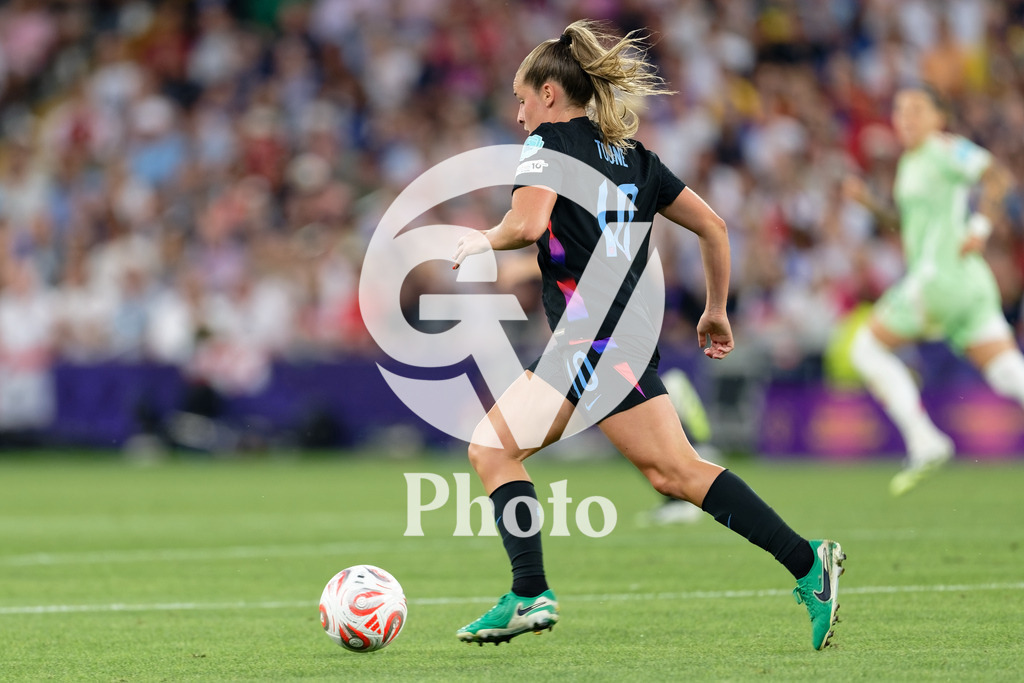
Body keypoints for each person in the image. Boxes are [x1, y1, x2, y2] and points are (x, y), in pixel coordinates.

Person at [451, 20, 844, 651]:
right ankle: (807, 562)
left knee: (509, 451)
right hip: (617, 334)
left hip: (594, 338)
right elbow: (714, 227)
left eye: (522, 98)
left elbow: (528, 223)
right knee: (666, 471)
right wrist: (716, 310)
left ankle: (531, 593)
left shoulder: (548, 142)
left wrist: (485, 238)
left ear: (550, 94)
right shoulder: (632, 155)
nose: (518, 113)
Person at [843, 86, 1024, 496]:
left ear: (939, 118)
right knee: (1006, 371)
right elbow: (905, 224)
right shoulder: (911, 162)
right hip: (970, 283)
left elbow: (998, 177)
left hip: (938, 280)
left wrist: (980, 228)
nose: (907, 118)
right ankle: (924, 440)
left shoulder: (946, 149)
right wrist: (868, 203)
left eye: (918, 110)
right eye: (900, 110)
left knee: (865, 348)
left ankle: (924, 439)